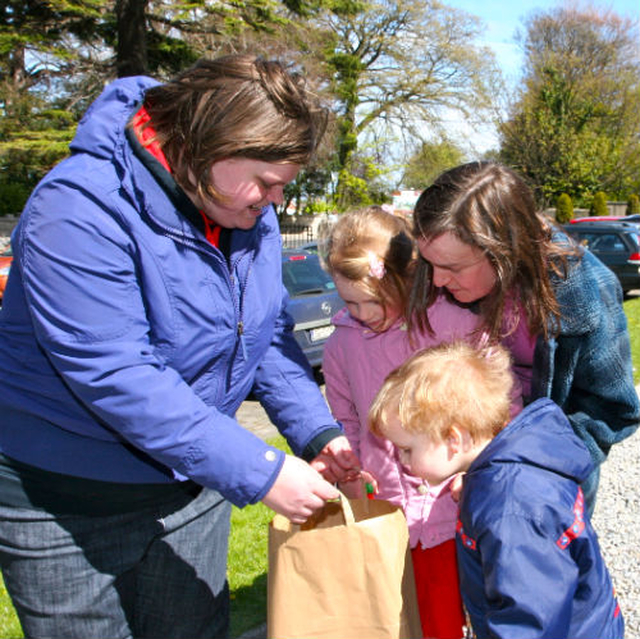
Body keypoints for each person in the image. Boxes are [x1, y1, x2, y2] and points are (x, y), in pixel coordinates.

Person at [0, 54, 360, 639]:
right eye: (266, 183)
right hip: (64, 506)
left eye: (283, 188)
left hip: (190, 486)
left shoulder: (242, 207)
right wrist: (262, 472)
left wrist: (318, 432)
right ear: (207, 143)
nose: (273, 203)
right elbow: (118, 373)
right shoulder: (77, 208)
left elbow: (263, 332)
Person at [409, 161, 639, 516]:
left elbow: (612, 410)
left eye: (452, 268)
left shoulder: (584, 294)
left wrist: (520, 463)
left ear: (502, 251)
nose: (437, 281)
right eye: (430, 264)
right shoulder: (452, 281)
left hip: (551, 473)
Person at [369, 340, 625, 639]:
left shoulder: (509, 510)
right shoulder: (505, 473)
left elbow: (530, 617)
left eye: (407, 449)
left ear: (454, 440)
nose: (401, 461)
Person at [322, 206, 485, 639]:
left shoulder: (452, 324)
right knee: (395, 619)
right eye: (347, 302)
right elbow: (343, 414)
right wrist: (351, 467)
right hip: (387, 511)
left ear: (402, 280)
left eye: (369, 301)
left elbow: (496, 403)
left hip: (450, 509)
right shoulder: (342, 345)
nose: (357, 313)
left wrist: (479, 468)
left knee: (452, 615)